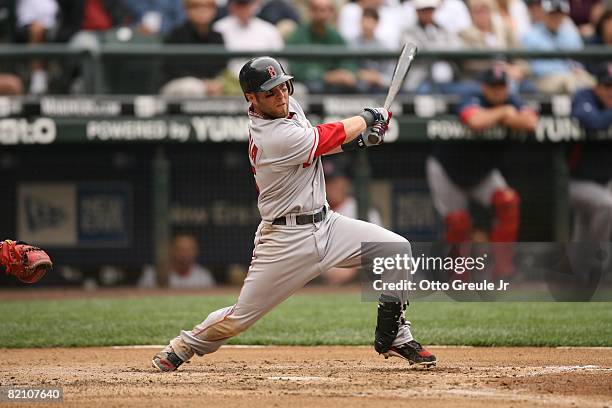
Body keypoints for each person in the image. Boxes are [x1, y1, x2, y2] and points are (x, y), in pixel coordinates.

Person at [152, 56, 436, 372]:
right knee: (239, 318)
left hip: (327, 224)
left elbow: (323, 145)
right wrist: (371, 116)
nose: (281, 96)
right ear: (252, 97)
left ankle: (397, 335)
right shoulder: (269, 136)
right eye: (270, 92)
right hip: (285, 240)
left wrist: (361, 140)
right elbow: (324, 137)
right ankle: (183, 346)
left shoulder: (291, 107)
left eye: (283, 87)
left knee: (396, 250)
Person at [426, 66, 538, 277]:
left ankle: (503, 268)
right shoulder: (471, 97)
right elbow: (475, 121)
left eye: (501, 86)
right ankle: (458, 276)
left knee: (508, 202)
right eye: (493, 86)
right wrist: (504, 113)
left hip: (483, 173)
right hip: (448, 169)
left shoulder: (514, 100)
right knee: (458, 223)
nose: (497, 91)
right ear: (484, 87)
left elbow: (531, 123)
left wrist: (500, 115)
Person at [322, 158, 383, 285]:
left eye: (335, 181)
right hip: (317, 282)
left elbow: (379, 249)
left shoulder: (362, 210)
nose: (330, 187)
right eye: (327, 182)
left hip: (357, 282)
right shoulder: (312, 214)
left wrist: (352, 269)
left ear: (345, 182)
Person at [569, 63, 612, 242]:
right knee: (607, 206)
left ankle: (579, 265)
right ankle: (596, 260)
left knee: (584, 229)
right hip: (573, 182)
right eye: (608, 86)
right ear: (597, 87)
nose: (611, 91)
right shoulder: (584, 97)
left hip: (605, 180)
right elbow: (593, 122)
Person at [521, 0, 595, 94]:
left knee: (593, 83)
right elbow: (532, 68)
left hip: (570, 76)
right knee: (568, 81)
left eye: (559, 15)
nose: (556, 18)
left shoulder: (570, 34)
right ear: (544, 14)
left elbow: (578, 61)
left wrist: (577, 68)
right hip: (543, 79)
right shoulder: (531, 35)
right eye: (552, 14)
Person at [286, 0, 358, 94]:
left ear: (331, 13)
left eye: (325, 10)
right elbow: (297, 69)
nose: (321, 15)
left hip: (335, 83)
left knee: (356, 86)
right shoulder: (298, 36)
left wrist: (346, 73)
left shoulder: (335, 35)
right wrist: (326, 76)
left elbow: (348, 61)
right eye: (317, 10)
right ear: (310, 12)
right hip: (311, 83)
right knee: (316, 87)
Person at [159, 0, 226, 97]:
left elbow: (222, 67)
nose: (202, 10)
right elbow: (173, 69)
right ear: (187, 10)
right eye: (195, 6)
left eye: (207, 6)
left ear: (214, 10)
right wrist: (204, 82)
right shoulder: (176, 34)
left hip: (210, 85)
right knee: (192, 87)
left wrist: (214, 83)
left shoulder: (217, 36)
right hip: (176, 85)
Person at [401, 0, 465, 94]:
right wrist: (441, 49)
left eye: (430, 9)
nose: (427, 13)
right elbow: (415, 49)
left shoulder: (443, 29)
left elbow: (457, 46)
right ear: (417, 11)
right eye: (424, 10)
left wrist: (438, 49)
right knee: (424, 92)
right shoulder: (408, 31)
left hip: (449, 79)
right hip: (421, 79)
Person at [213, 0, 284, 79]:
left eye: (247, 4)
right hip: (228, 81)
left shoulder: (269, 30)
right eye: (240, 4)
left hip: (263, 80)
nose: (244, 9)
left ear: (255, 5)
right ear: (232, 6)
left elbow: (281, 62)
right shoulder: (219, 28)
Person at [139, 233, 216, 288]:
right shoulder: (152, 273)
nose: (185, 254)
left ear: (196, 251)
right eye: (181, 249)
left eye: (189, 249)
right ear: (171, 250)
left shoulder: (204, 275)